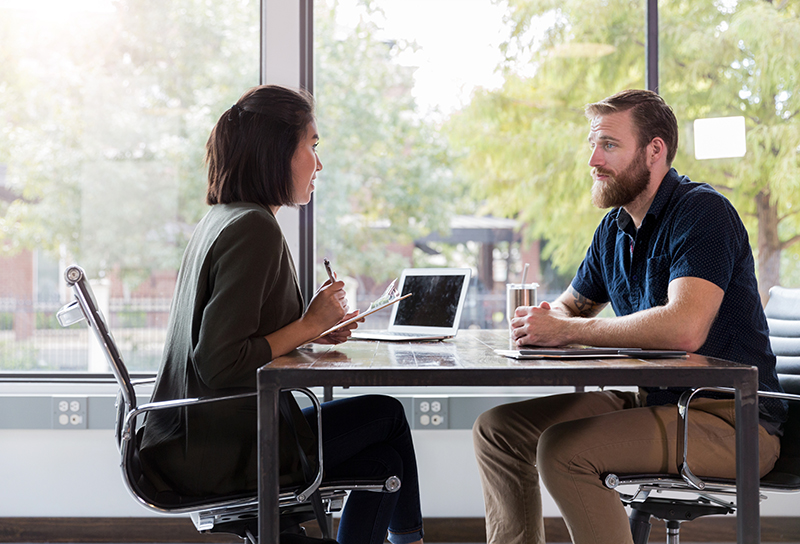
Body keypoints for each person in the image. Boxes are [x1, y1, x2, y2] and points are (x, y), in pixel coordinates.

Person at [472, 89, 787, 544]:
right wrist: (547, 322)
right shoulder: (614, 229)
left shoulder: (702, 212)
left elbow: (684, 328)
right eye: (592, 144)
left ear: (654, 150)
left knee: (564, 451)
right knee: (499, 429)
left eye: (610, 145)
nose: (593, 160)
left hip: (730, 421)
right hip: (657, 401)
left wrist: (567, 330)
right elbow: (571, 307)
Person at [139, 85, 424, 544]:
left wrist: (314, 329)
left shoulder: (226, 217)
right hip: (220, 446)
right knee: (387, 415)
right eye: (312, 145)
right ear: (277, 153)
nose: (319, 162)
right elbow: (218, 360)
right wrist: (310, 324)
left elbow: (245, 336)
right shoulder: (253, 228)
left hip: (193, 434)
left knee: (385, 465)